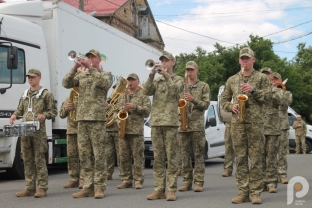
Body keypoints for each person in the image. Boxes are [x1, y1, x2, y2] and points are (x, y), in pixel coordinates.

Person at [220, 47, 271, 204]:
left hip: (255, 123)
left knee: (256, 159)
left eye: (247, 58)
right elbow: (223, 100)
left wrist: (254, 90)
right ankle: (243, 192)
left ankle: (255, 192)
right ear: (239, 60)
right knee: (241, 158)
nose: (244, 60)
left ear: (253, 60)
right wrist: (231, 107)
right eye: (242, 58)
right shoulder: (232, 79)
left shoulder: (262, 78)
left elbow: (269, 98)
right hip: (237, 123)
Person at [62, 49, 113, 199]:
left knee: (98, 155)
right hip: (82, 119)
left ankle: (99, 187)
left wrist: (90, 68)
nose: (90, 58)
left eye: (93, 57)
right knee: (84, 155)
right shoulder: (81, 75)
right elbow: (66, 83)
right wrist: (75, 68)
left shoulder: (105, 74)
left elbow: (104, 84)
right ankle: (87, 186)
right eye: (88, 57)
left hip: (97, 119)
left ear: (99, 59)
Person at [10, 68, 57, 198]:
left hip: (38, 132)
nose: (30, 79)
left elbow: (53, 111)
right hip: (25, 131)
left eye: (33, 77)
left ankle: (42, 187)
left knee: (39, 159)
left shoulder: (45, 94)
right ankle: (30, 187)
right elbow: (20, 110)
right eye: (29, 77)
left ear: (39, 77)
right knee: (27, 159)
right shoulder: (25, 94)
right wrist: (14, 115)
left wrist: (44, 115)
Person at [144, 51, 184, 201]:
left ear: (173, 62)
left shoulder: (178, 79)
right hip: (156, 122)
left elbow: (176, 91)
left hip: (171, 123)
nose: (163, 63)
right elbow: (146, 91)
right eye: (162, 61)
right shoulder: (157, 81)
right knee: (158, 158)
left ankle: (171, 189)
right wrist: (152, 74)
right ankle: (159, 189)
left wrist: (166, 75)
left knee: (172, 157)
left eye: (166, 61)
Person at [177, 61, 210, 192]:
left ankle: (199, 182)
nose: (189, 72)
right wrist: (178, 114)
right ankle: (186, 181)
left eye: (191, 70)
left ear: (197, 70)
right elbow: (175, 103)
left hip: (196, 126)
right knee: (184, 155)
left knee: (198, 155)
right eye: (187, 70)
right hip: (183, 125)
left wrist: (193, 99)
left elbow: (206, 104)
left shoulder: (203, 86)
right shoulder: (181, 87)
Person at [115, 73, 151, 189]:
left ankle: (138, 180)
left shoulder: (143, 95)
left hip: (136, 131)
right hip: (123, 131)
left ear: (138, 82)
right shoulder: (122, 95)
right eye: (129, 80)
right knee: (123, 157)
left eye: (133, 80)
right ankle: (126, 180)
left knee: (138, 157)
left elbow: (147, 111)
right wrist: (117, 120)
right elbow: (116, 110)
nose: (130, 82)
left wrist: (134, 106)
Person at [260, 67, 284, 193]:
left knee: (271, 157)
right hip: (259, 128)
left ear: (271, 77)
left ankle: (271, 182)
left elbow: (278, 100)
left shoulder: (276, 90)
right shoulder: (257, 89)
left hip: (273, 129)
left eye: (267, 74)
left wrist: (269, 88)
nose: (265, 76)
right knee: (260, 158)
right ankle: (262, 182)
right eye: (262, 74)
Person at [271, 72, 293, 184]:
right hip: (270, 126)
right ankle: (271, 175)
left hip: (282, 126)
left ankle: (282, 174)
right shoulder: (269, 91)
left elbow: (285, 104)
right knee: (270, 153)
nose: (274, 81)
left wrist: (281, 90)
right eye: (273, 79)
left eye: (277, 79)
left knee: (282, 152)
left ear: (281, 80)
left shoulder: (287, 93)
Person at [59, 95, 83, 189]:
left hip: (82, 131)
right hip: (71, 131)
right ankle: (74, 179)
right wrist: (66, 109)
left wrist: (76, 107)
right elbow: (61, 114)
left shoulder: (85, 96)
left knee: (84, 156)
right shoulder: (68, 98)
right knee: (72, 156)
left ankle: (84, 179)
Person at [105, 84, 121, 181]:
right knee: (108, 153)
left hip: (118, 129)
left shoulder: (123, 100)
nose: (116, 91)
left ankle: (123, 173)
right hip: (108, 129)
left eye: (118, 89)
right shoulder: (108, 100)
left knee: (121, 153)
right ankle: (108, 172)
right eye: (115, 89)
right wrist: (106, 106)